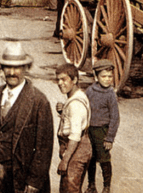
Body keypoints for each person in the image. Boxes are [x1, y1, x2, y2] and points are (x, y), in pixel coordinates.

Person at [0, 42, 54, 193]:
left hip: (22, 178)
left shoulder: (39, 101)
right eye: (8, 67)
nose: (12, 72)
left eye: (17, 67)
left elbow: (44, 148)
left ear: (25, 68)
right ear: (2, 69)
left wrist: (34, 181)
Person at [55, 64, 90, 193]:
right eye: (58, 79)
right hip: (79, 148)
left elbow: (75, 135)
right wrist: (63, 111)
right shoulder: (77, 97)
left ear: (74, 80)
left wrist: (65, 160)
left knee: (70, 189)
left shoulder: (75, 104)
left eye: (64, 79)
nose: (60, 83)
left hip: (76, 149)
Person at [85, 60, 119, 193]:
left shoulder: (110, 94)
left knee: (104, 159)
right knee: (90, 159)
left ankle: (106, 187)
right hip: (89, 131)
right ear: (96, 77)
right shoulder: (90, 91)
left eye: (110, 76)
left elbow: (115, 117)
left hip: (102, 132)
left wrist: (109, 138)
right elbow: (83, 106)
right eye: (103, 76)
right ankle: (91, 185)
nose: (107, 79)